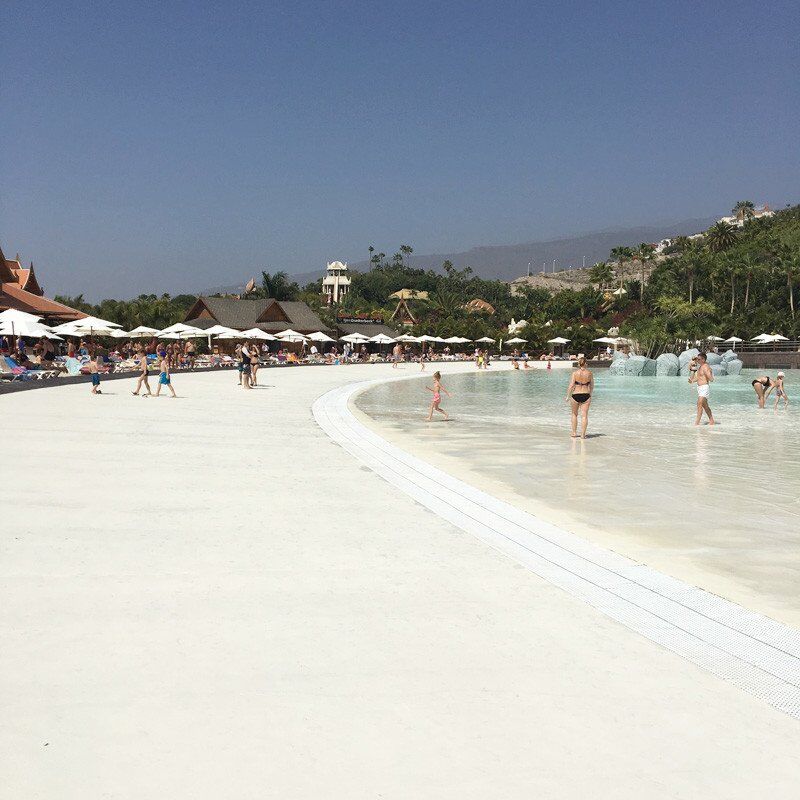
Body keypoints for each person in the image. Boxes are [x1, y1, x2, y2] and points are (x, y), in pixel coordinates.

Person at [565, 356, 594, 438]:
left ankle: (574, 433)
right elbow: (592, 385)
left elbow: (571, 385)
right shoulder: (589, 373)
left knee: (574, 414)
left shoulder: (575, 373)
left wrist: (568, 396)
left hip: (575, 395)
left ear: (579, 364)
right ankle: (583, 435)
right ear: (585, 364)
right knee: (584, 415)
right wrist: (590, 394)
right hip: (586, 394)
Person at [688, 352, 715, 425]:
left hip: (704, 387)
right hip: (700, 388)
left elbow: (711, 378)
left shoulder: (705, 367)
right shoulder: (701, 367)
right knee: (705, 406)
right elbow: (699, 377)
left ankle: (697, 423)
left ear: (703, 359)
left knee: (699, 404)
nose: (698, 361)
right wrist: (692, 381)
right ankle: (711, 420)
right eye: (697, 359)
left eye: (699, 359)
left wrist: (710, 376)